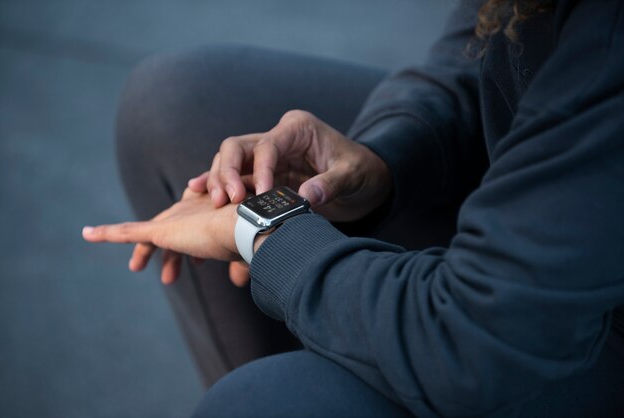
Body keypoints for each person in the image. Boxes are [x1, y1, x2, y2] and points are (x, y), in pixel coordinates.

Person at [83, 0, 624, 416]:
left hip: (575, 333)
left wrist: (264, 234)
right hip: (545, 210)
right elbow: (481, 46)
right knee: (174, 102)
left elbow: (474, 338)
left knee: (265, 406)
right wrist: (381, 159)